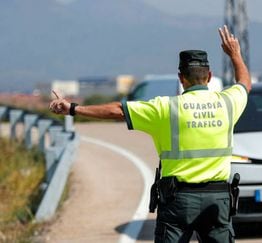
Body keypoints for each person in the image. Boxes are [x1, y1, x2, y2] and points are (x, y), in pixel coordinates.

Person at [49, 25, 251, 243]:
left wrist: (72, 109)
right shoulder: (229, 103)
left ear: (180, 78)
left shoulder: (165, 108)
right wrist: (235, 55)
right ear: (209, 76)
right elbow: (244, 84)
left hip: (178, 200)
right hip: (217, 200)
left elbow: (118, 110)